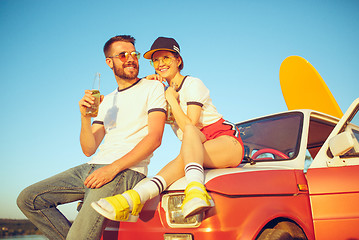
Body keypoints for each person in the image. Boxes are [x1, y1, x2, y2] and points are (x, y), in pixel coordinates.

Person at [16, 35, 166, 240]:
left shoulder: (152, 87)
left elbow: (154, 139)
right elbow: (89, 148)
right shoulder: (106, 100)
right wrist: (84, 118)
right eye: (123, 55)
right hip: (93, 167)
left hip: (124, 170)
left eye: (134, 54)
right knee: (28, 199)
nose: (130, 58)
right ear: (109, 62)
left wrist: (113, 168)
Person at [91, 37, 244, 221]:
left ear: (178, 60)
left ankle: (192, 191)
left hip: (225, 141)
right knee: (184, 157)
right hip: (194, 148)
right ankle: (132, 199)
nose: (160, 64)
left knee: (187, 145)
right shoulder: (159, 90)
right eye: (156, 60)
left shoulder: (192, 83)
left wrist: (171, 98)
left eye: (166, 58)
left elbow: (191, 126)